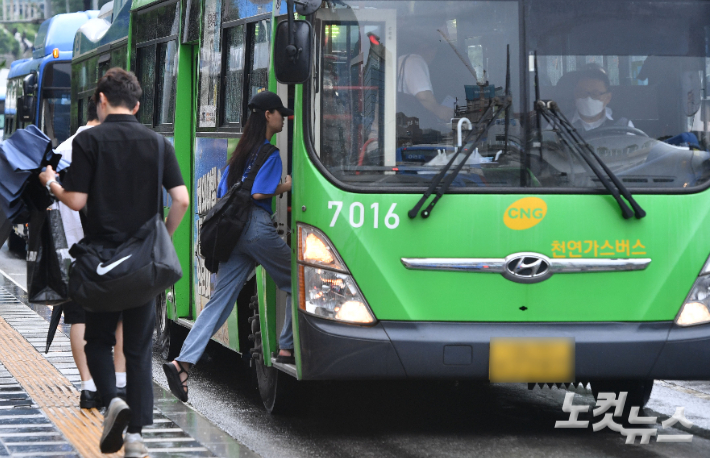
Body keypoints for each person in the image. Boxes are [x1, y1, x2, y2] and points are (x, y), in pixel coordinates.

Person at [38, 68, 189, 457]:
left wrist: (51, 182)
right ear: (137, 104)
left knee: (98, 340)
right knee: (138, 350)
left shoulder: (90, 141)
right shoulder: (158, 144)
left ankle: (111, 401)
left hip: (101, 263)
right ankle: (135, 437)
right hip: (142, 267)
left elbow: (75, 201)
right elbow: (182, 200)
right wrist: (162, 240)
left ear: (101, 100)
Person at [163, 91, 293, 403]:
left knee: (219, 303)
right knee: (301, 279)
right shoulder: (270, 154)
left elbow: (224, 190)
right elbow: (261, 194)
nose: (284, 118)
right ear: (267, 115)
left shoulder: (240, 153)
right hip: (257, 229)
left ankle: (183, 362)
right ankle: (287, 346)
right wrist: (285, 187)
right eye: (280, 113)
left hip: (233, 233)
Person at [53, 98, 127, 410]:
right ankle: (120, 382)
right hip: (108, 247)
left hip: (71, 249)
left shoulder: (63, 150)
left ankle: (88, 387)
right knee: (121, 313)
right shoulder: (108, 146)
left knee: (78, 316)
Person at [570, 66, 634, 132]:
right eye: (582, 93)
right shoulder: (561, 124)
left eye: (595, 94)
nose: (588, 98)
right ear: (575, 94)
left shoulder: (623, 125)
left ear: (608, 98)